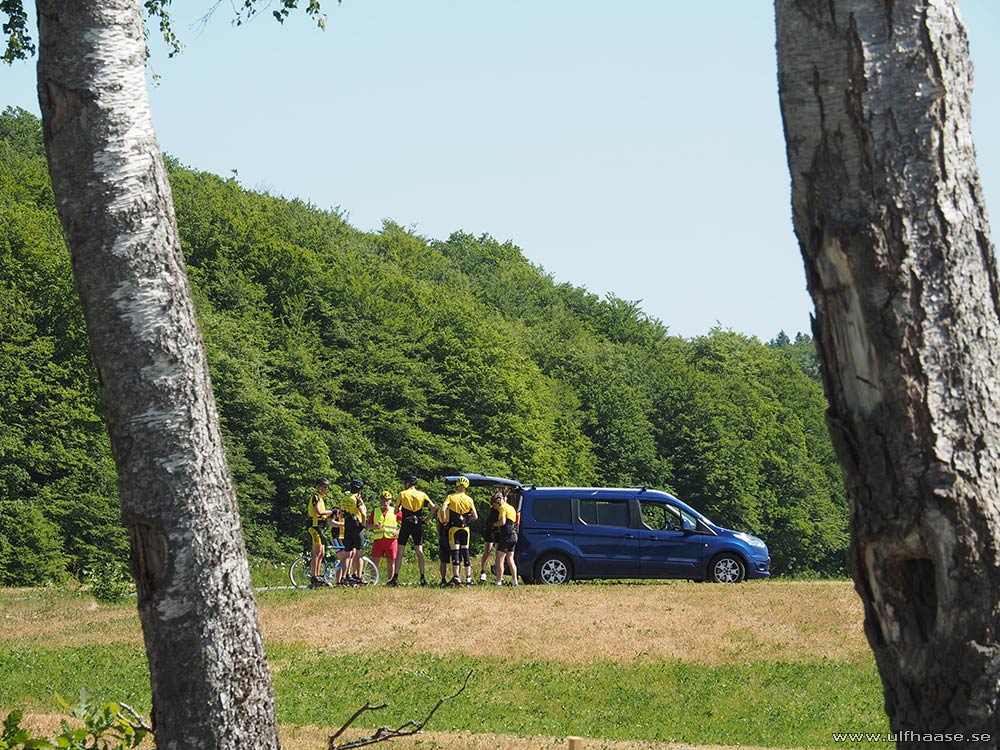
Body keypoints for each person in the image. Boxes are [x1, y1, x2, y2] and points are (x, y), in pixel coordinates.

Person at [396, 475, 437, 587]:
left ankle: (395, 577)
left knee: (400, 551)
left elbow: (396, 511)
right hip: (417, 523)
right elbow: (433, 507)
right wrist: (426, 520)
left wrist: (399, 508)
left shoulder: (403, 494)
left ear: (408, 483)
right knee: (419, 551)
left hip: (406, 523)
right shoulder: (422, 494)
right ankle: (422, 577)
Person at [440, 475, 478, 586]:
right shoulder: (469, 499)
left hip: (454, 528)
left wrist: (444, 521)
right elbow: (475, 516)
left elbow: (443, 509)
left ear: (457, 485)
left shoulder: (451, 497)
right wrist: (467, 518)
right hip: (465, 529)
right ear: (466, 486)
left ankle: (456, 577)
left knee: (455, 552)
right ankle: (468, 578)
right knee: (465, 552)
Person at [368, 490, 402, 585]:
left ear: (390, 501)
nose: (385, 502)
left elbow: (405, 523)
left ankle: (390, 581)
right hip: (378, 539)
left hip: (391, 540)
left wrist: (398, 531)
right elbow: (369, 524)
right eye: (383, 500)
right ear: (380, 500)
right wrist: (375, 526)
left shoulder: (395, 511)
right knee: (375, 560)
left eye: (387, 500)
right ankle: (373, 580)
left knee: (391, 561)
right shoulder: (375, 511)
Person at [307, 479, 335, 587]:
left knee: (322, 552)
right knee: (317, 551)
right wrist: (331, 512)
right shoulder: (316, 497)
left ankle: (318, 575)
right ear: (318, 487)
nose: (326, 489)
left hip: (320, 526)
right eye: (324, 487)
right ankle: (314, 576)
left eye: (327, 487)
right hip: (314, 525)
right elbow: (318, 512)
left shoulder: (321, 499)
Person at [339, 479, 368, 586]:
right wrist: (363, 524)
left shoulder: (344, 499)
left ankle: (343, 577)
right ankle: (359, 577)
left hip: (347, 527)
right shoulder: (357, 499)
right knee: (359, 553)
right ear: (360, 490)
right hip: (357, 527)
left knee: (347, 553)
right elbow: (363, 514)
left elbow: (341, 514)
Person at [493, 490, 519, 586]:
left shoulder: (503, 507)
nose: (496, 504)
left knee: (500, 558)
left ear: (500, 499)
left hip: (506, 535)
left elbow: (503, 522)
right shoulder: (511, 508)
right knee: (510, 559)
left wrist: (494, 524)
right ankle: (514, 580)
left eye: (496, 501)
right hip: (513, 535)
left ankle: (499, 581)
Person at [478, 489, 503, 583]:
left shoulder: (503, 508)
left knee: (498, 553)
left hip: (499, 531)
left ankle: (498, 573)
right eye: (496, 502)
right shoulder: (493, 510)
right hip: (491, 530)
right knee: (487, 550)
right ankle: (483, 572)